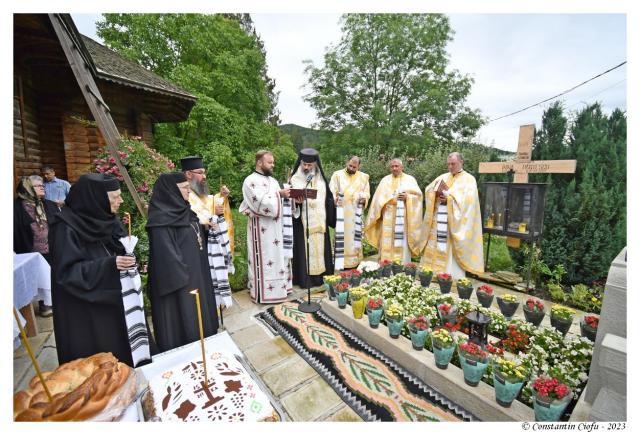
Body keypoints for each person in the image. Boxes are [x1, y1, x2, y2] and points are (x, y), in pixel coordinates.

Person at [50, 173, 151, 367]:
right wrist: (109, 265)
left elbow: (116, 245)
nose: (120, 201)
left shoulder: (105, 217)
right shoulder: (65, 228)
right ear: (95, 200)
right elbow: (66, 273)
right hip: (89, 311)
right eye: (115, 197)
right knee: (104, 365)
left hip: (117, 297)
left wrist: (127, 251)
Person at [146, 172, 219, 352]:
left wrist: (204, 229)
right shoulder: (160, 220)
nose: (189, 191)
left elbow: (191, 233)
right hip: (180, 282)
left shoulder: (185, 210)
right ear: (171, 191)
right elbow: (165, 255)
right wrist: (186, 276)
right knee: (185, 319)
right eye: (184, 188)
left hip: (196, 273)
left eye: (188, 187)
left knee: (200, 317)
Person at [239, 150, 294, 303]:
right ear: (259, 163)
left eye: (273, 162)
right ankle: (264, 293)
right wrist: (279, 195)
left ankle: (281, 289)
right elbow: (261, 203)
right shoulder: (249, 181)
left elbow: (280, 205)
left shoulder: (274, 181)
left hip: (276, 229)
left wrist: (289, 198)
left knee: (278, 258)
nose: (273, 165)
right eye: (270, 162)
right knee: (265, 259)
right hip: (261, 231)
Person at [418, 152, 484, 279]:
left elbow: (468, 203)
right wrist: (434, 194)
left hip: (452, 224)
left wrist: (449, 199)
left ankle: (448, 276)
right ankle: (430, 274)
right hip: (438, 222)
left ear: (461, 162)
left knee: (449, 251)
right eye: (448, 164)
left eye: (453, 164)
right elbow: (428, 190)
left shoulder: (469, 180)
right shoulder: (442, 177)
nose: (450, 167)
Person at [181, 156, 234, 307]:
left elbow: (209, 202)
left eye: (205, 172)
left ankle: (215, 302)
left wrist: (222, 198)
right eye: (200, 172)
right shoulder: (183, 195)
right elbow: (193, 216)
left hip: (210, 242)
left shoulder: (199, 192)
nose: (204, 176)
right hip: (196, 244)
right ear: (189, 174)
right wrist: (211, 215)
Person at [14, 175, 61, 317]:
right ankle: (44, 304)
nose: (42, 187)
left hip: (52, 247)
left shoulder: (49, 205)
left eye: (42, 185)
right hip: (31, 251)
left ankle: (57, 302)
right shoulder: (16, 209)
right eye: (37, 185)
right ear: (27, 189)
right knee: (40, 278)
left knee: (55, 275)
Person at [290, 148, 336, 288]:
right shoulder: (295, 178)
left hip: (320, 222)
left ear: (315, 164)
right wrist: (295, 203)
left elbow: (328, 197)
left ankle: (321, 278)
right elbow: (289, 200)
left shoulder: (321, 179)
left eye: (309, 165)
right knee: (305, 251)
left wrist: (333, 202)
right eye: (304, 164)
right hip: (303, 223)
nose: (306, 167)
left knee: (321, 250)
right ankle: (306, 280)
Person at [364, 158, 423, 263]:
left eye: (397, 166)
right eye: (392, 166)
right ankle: (385, 265)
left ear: (402, 167)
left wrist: (408, 197)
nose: (394, 168)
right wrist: (384, 202)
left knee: (401, 240)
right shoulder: (385, 180)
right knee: (386, 241)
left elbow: (418, 197)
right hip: (387, 215)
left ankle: (402, 264)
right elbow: (377, 199)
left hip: (402, 216)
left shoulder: (410, 179)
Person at [329, 156, 370, 270]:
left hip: (355, 213)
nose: (351, 168)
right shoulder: (337, 175)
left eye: (354, 167)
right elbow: (331, 191)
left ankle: (355, 262)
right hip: (342, 213)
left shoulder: (364, 177)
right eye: (350, 165)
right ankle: (340, 262)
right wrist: (335, 199)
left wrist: (364, 199)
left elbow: (367, 193)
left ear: (359, 166)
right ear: (347, 162)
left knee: (355, 237)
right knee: (342, 236)